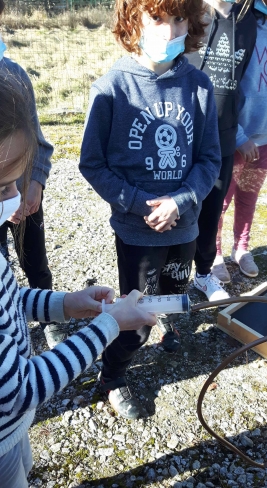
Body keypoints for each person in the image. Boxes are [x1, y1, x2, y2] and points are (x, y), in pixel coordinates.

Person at [0, 74, 156, 488]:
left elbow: (9, 298)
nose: (15, 196)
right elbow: (19, 389)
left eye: (18, 179)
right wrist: (107, 326)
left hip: (11, 432)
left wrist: (66, 304)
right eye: (1, 186)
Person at [80, 0, 221, 419]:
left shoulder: (198, 85)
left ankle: (169, 327)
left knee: (175, 294)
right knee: (137, 319)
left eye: (178, 18)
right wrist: (142, 205)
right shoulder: (112, 88)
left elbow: (210, 158)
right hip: (137, 231)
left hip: (185, 226)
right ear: (133, 20)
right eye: (157, 17)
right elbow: (93, 164)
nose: (169, 29)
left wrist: (181, 200)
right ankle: (112, 376)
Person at [216, 0, 267, 278]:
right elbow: (224, 81)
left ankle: (241, 248)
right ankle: (213, 254)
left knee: (249, 195)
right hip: (232, 137)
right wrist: (238, 135)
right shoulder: (240, 22)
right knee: (221, 200)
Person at [0, 0, 64, 349]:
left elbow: (39, 144)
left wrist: (33, 186)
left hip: (24, 198)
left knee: (35, 261)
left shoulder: (16, 77)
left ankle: (49, 316)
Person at [187, 0, 257, 300]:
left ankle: (203, 275)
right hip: (186, 134)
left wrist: (237, 131)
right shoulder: (190, 11)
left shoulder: (247, 20)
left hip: (224, 137)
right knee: (181, 210)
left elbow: (242, 79)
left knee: (212, 210)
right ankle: (166, 280)